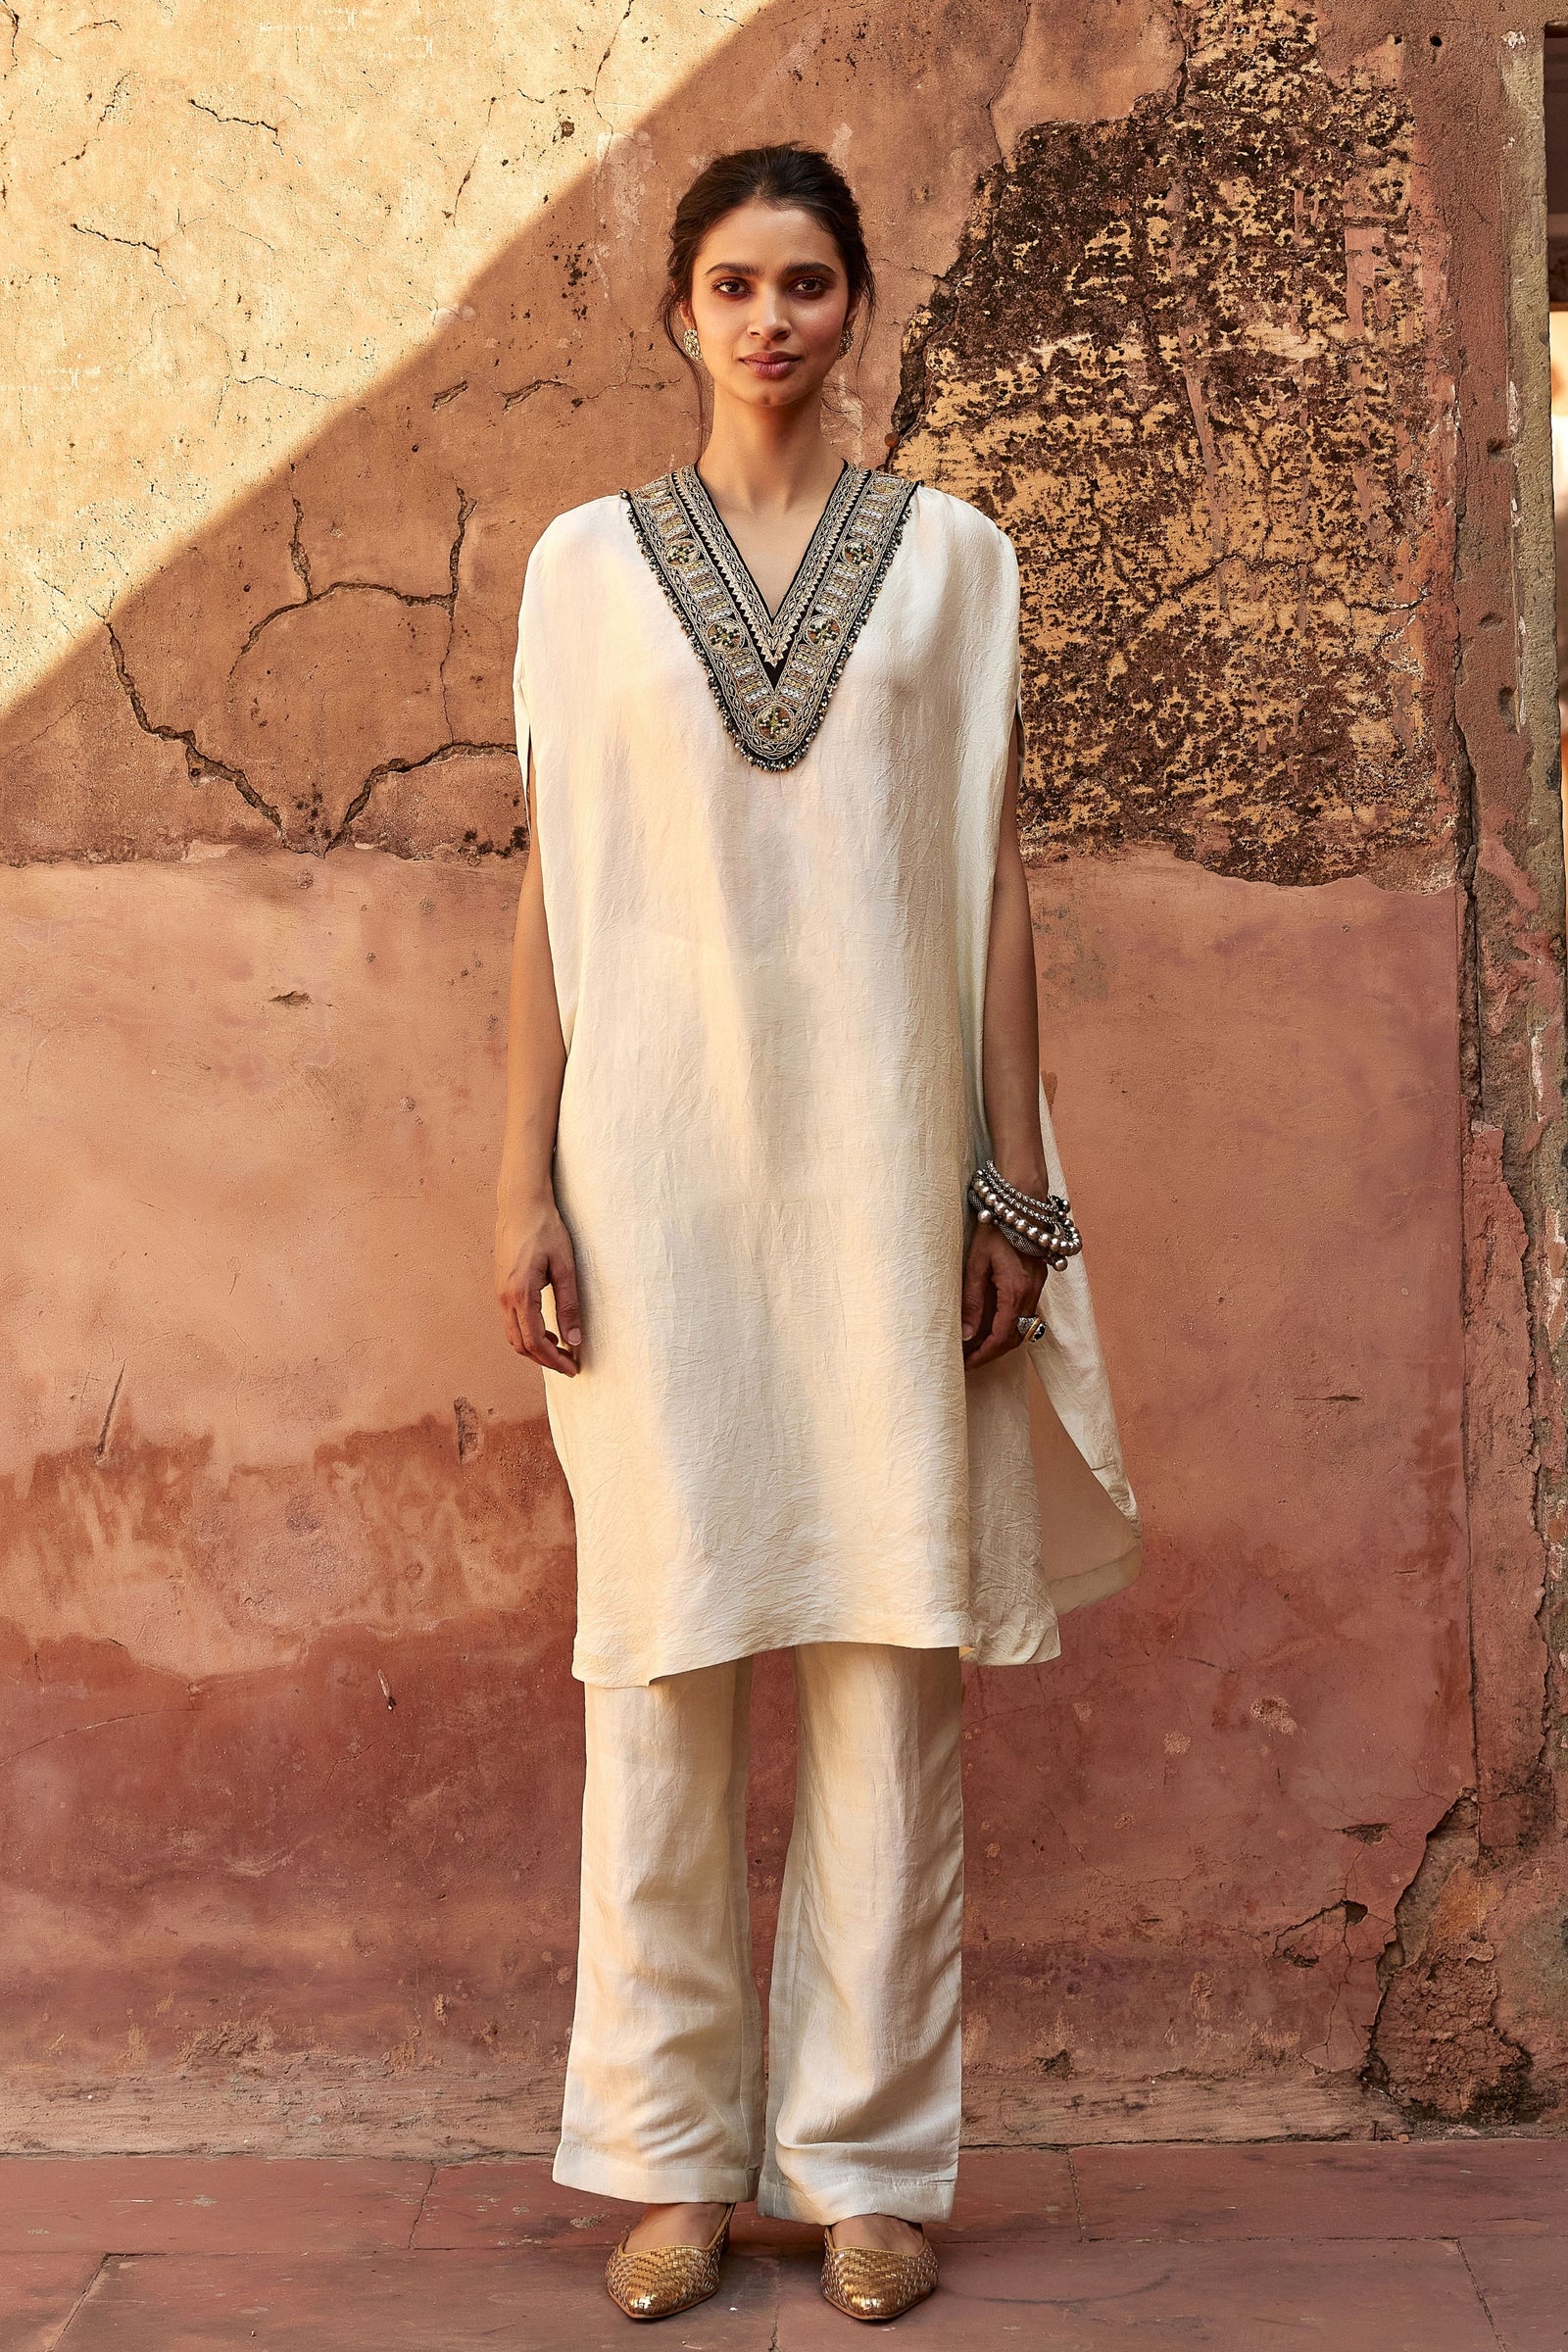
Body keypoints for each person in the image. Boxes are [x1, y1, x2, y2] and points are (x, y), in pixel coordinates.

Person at [494, 142, 1140, 2327]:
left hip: (883, 1176)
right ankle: (670, 2167)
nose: (770, 320)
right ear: (678, 312)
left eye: (806, 282)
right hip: (655, 1178)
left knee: (885, 1666)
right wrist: (520, 1180)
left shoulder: (954, 563)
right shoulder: (584, 569)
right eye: (733, 284)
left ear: (858, 303)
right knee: (661, 1662)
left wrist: (1010, 1190)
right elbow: (550, 891)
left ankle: (862, 2169)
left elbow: (990, 880)